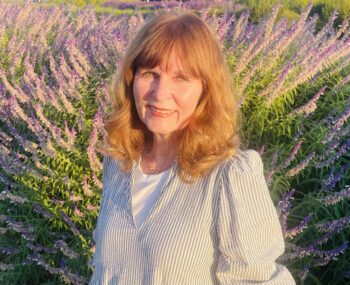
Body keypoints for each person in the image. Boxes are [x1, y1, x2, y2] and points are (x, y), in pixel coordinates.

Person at [89, 10, 296, 285]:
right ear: (132, 79)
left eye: (181, 78)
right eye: (150, 73)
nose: (160, 94)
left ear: (205, 90)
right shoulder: (119, 164)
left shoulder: (229, 176)